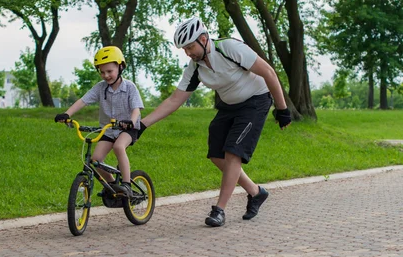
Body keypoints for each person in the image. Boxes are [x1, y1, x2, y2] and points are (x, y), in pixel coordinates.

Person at [140, 17, 291, 227]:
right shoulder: (195, 68)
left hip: (255, 101)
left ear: (203, 39)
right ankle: (256, 193)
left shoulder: (228, 48)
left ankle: (219, 210)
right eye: (184, 49)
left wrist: (282, 109)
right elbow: (174, 100)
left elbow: (268, 72)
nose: (188, 52)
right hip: (229, 106)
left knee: (233, 152)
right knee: (216, 154)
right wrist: (141, 125)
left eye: (190, 46)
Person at [54, 46, 144, 197]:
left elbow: (136, 109)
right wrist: (66, 113)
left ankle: (127, 185)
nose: (106, 75)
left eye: (109, 71)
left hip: (128, 129)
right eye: (102, 72)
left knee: (119, 147)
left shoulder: (130, 87)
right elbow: (83, 101)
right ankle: (112, 186)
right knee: (95, 160)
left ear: (120, 67)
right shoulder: (100, 88)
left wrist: (131, 121)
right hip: (108, 130)